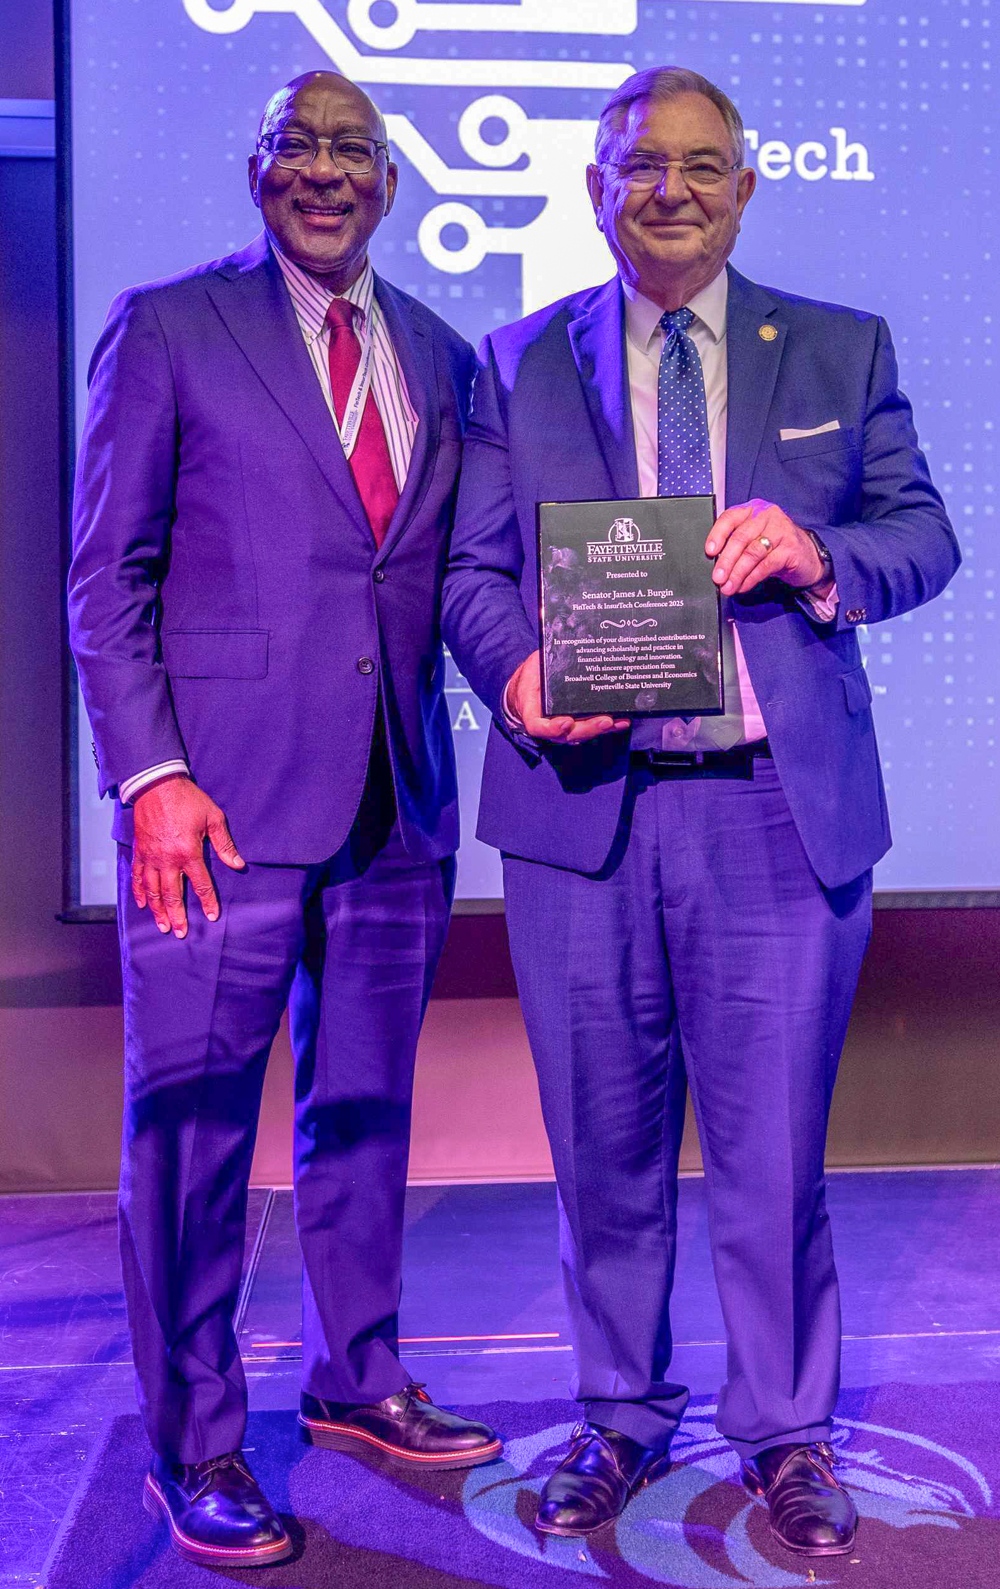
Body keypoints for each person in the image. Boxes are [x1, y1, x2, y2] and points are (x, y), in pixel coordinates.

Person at [442, 66, 959, 1557]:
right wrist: (518, 674)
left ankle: (787, 1432)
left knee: (774, 1156)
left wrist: (816, 552)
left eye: (698, 165)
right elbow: (472, 572)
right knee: (601, 1150)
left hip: (774, 817)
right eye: (639, 167)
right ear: (595, 187)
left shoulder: (842, 347)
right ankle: (617, 1414)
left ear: (744, 184)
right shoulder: (515, 359)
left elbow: (923, 537)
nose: (668, 190)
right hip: (583, 817)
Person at [68, 71, 500, 1570]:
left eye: (352, 151)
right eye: (296, 147)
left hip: (396, 801)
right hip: (214, 812)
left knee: (365, 1111)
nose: (325, 171)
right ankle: (192, 1441)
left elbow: (448, 576)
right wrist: (150, 778)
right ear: (257, 171)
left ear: (391, 181)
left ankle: (356, 1375)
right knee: (189, 1132)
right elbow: (106, 579)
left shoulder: (439, 354)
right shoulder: (168, 326)